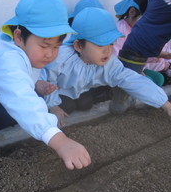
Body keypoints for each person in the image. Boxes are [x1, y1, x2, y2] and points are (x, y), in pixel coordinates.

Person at [0, 0, 91, 170]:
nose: (50, 54)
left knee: (29, 108)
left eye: (56, 46)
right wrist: (60, 141)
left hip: (2, 92)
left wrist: (37, 84)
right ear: (19, 36)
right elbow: (19, 96)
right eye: (44, 46)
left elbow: (25, 76)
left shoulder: (26, 49)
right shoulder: (5, 57)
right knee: (6, 116)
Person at [41, 7, 171, 127]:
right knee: (66, 106)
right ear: (78, 46)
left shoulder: (109, 62)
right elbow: (46, 80)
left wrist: (164, 103)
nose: (107, 51)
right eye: (100, 45)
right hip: (55, 90)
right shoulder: (60, 58)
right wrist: (53, 106)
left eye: (110, 43)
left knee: (85, 103)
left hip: (78, 90)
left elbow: (131, 79)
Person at [111, 0, 171, 113]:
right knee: (151, 79)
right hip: (128, 70)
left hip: (138, 68)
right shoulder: (122, 31)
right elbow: (120, 67)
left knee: (154, 79)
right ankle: (123, 97)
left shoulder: (149, 29)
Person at [60, 0, 112, 114]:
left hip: (81, 86)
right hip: (61, 88)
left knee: (85, 103)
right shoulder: (66, 43)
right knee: (68, 106)